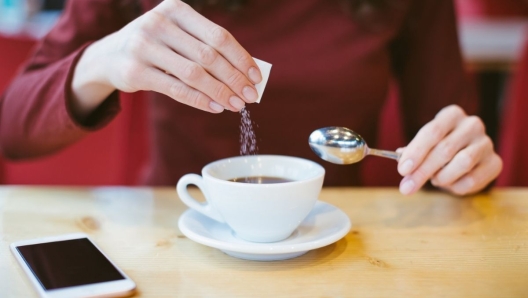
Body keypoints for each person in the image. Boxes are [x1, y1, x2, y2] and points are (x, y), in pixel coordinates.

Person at [0, 0, 502, 195]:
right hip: (176, 228)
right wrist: (104, 60)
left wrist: (460, 160)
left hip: (338, 238)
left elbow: (446, 138)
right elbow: (12, 129)